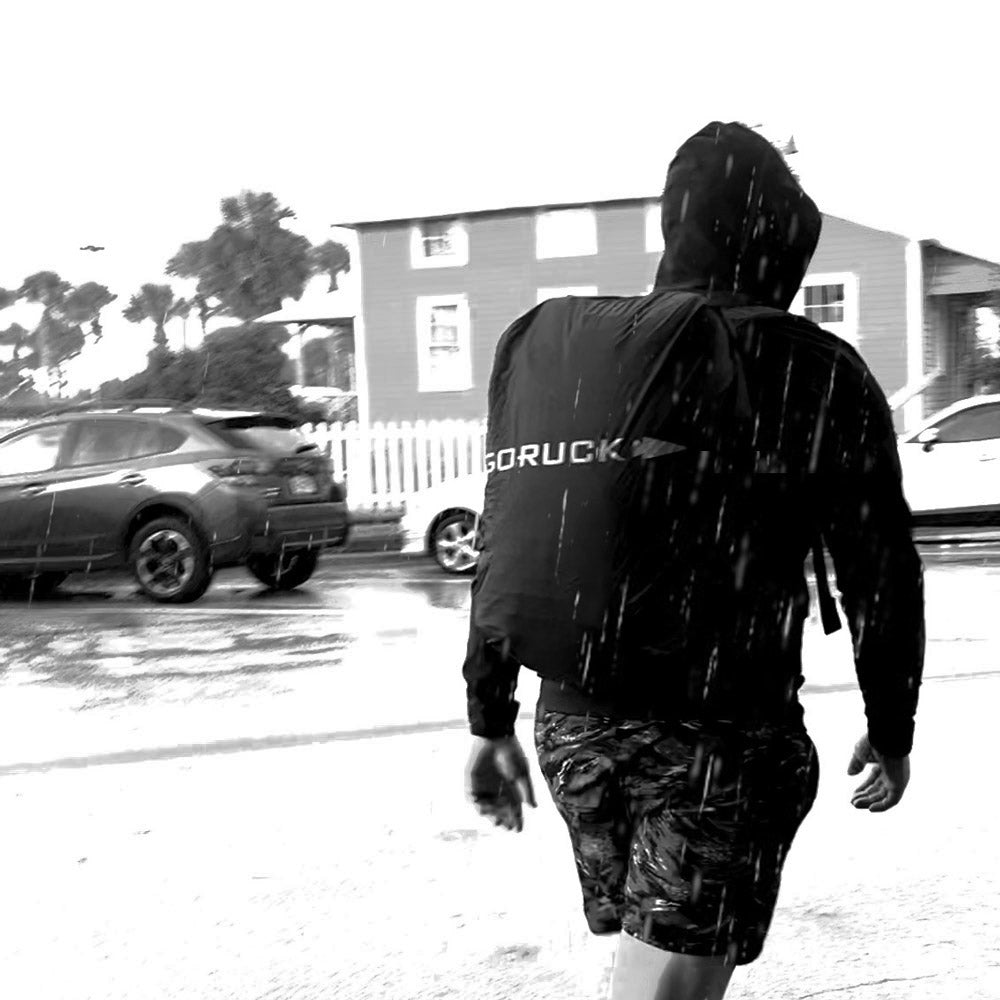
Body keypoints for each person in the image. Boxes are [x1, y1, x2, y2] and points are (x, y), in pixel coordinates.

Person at [462, 120, 925, 1000]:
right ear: (783, 237)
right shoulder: (808, 364)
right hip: (719, 739)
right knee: (666, 987)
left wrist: (490, 720)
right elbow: (880, 573)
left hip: (573, 736)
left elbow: (506, 541)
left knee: (649, 956)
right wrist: (891, 726)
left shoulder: (574, 357)